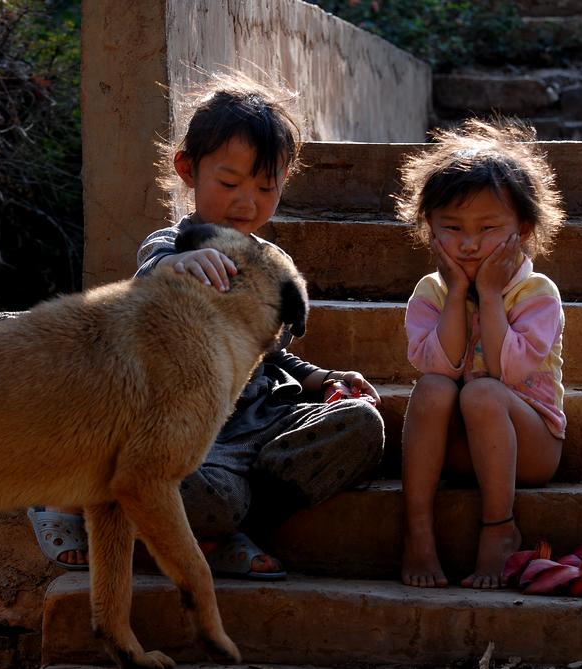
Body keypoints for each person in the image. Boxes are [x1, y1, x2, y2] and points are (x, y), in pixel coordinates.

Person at [29, 73, 385, 580]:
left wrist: (321, 379)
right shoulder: (174, 246)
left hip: (258, 429)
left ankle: (221, 525)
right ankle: (188, 521)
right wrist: (181, 268)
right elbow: (147, 283)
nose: (248, 203)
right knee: (193, 485)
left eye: (267, 186)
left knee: (362, 426)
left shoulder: (272, 263)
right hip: (188, 437)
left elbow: (270, 351)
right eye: (230, 183)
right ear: (187, 169)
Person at [395, 118, 567, 589]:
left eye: (488, 228)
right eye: (452, 228)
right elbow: (437, 366)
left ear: (524, 229)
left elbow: (508, 371)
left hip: (529, 445)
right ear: (429, 228)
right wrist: (456, 297)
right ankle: (418, 530)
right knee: (431, 389)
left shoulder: (535, 293)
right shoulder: (431, 293)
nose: (469, 243)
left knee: (484, 393)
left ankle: (499, 529)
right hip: (457, 448)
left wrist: (489, 297)